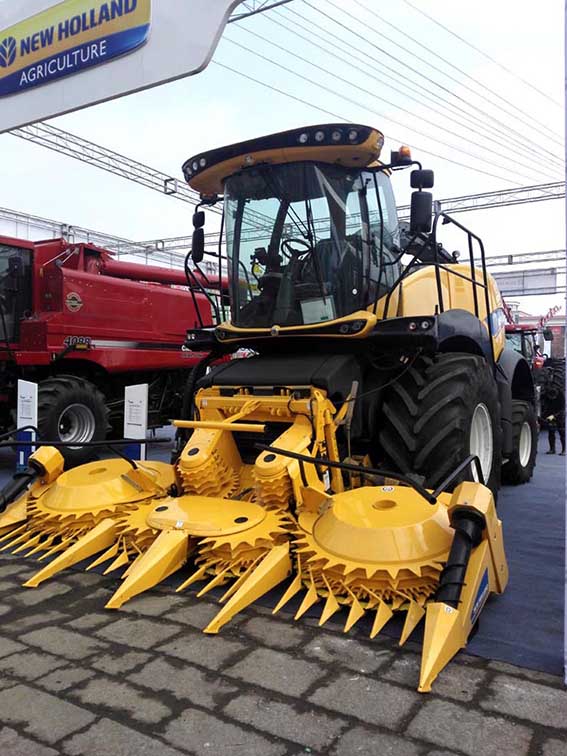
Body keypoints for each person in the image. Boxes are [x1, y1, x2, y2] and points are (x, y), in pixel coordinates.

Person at [543, 386, 566, 455]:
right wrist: (545, 416)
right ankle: (552, 449)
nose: (551, 399)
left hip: (560, 414)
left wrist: (554, 416)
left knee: (562, 432)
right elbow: (547, 407)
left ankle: (564, 450)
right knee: (551, 432)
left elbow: (562, 409)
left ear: (555, 395)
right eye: (550, 397)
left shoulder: (561, 396)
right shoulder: (546, 395)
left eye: (552, 398)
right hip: (551, 414)